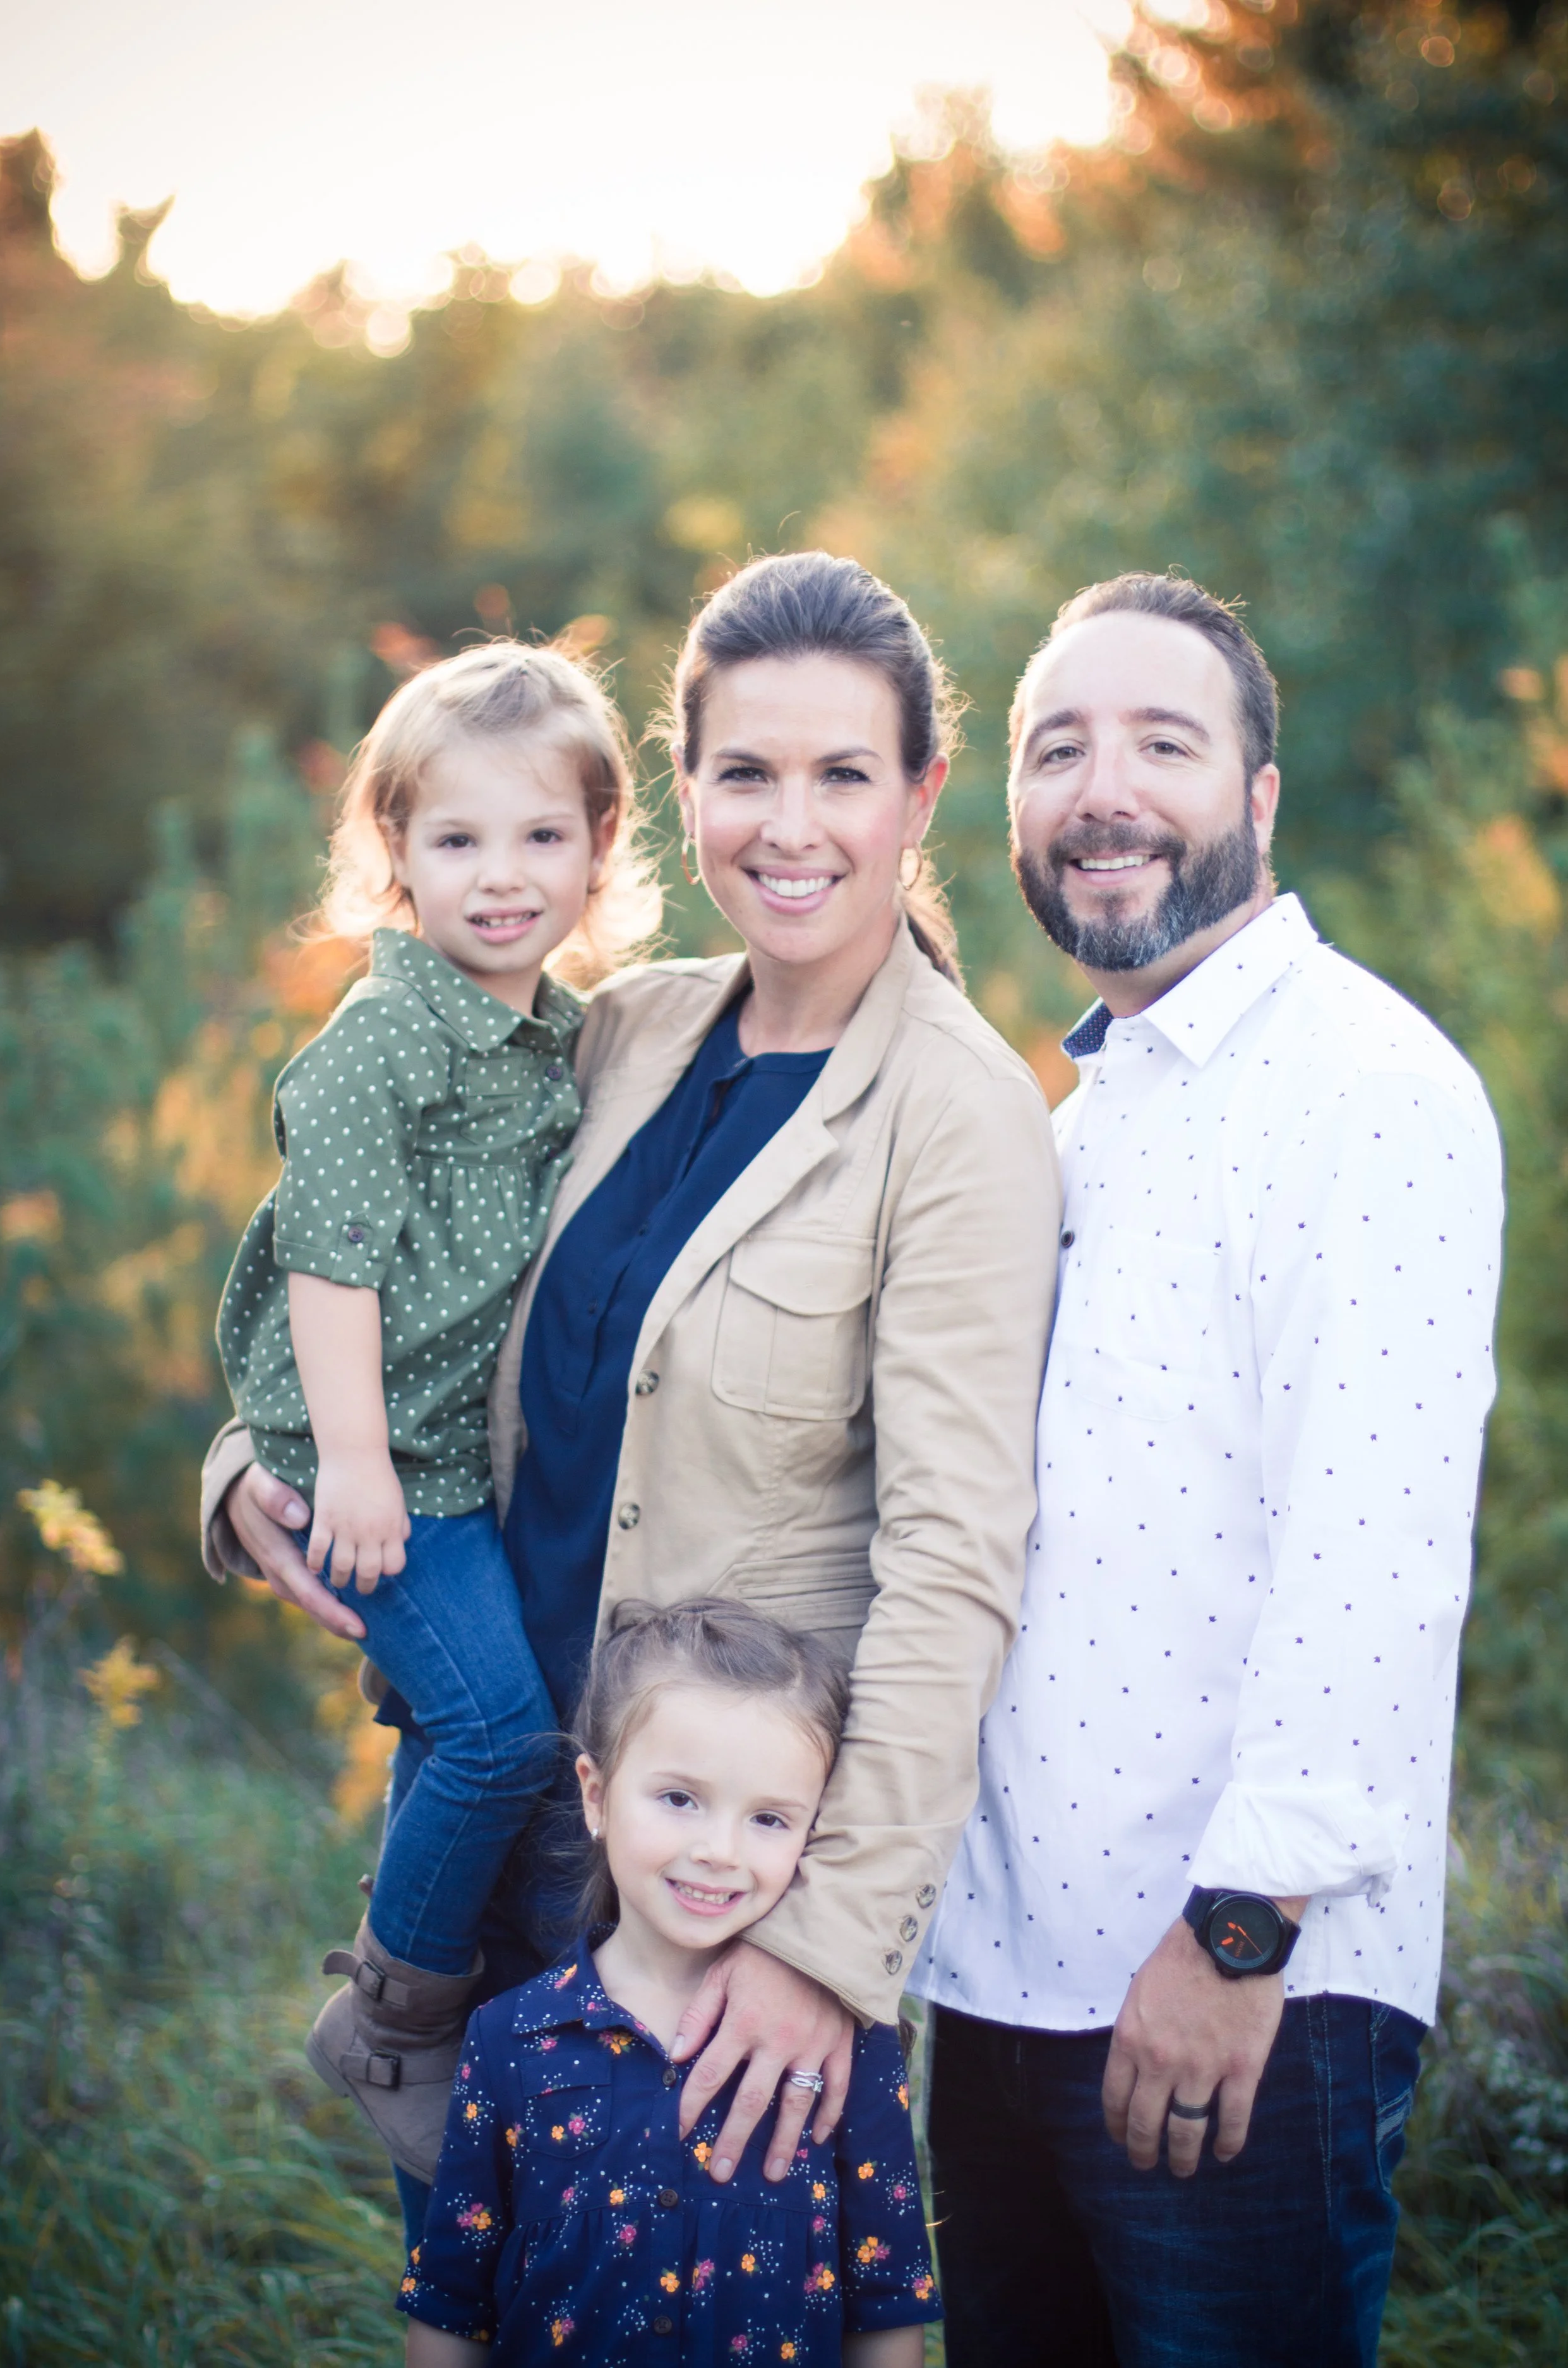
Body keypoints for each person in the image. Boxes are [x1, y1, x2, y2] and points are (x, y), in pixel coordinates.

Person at [201, 551, 1060, 2238]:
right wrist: (253, 1458)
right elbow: (379, 1254)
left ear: (920, 793)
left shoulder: (958, 1115)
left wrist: (828, 1946)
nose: (790, 825)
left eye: (842, 774)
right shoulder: (616, 1035)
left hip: (715, 1907)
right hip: (493, 1814)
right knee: (481, 2306)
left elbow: (956, 1566)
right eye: (746, 773)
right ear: (679, 790)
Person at [917, 572, 1506, 2367]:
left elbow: (1377, 1551)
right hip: (1001, 1982)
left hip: (1238, 1989)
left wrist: (1237, 1932)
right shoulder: (1078, 1120)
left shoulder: (1365, 1085)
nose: (1102, 791)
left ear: (1257, 795)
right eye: (1055, 750)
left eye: (1161, 744)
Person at [214, 640, 659, 2182]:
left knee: (467, 1726)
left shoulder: (557, 1034)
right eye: (458, 838)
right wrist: (348, 1464)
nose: (502, 875)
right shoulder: (385, 1039)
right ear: (394, 851)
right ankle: (392, 2020)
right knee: (496, 1736)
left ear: (599, 848)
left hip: (452, 1463)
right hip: (381, 1460)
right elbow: (330, 1264)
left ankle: (433, 2031)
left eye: (541, 835)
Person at [399, 1600, 940, 2367]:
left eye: (769, 1819)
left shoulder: (850, 2047)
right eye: (680, 1799)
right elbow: (452, 2301)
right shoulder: (508, 2038)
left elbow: (887, 2299)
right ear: (595, 1796)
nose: (719, 1850)